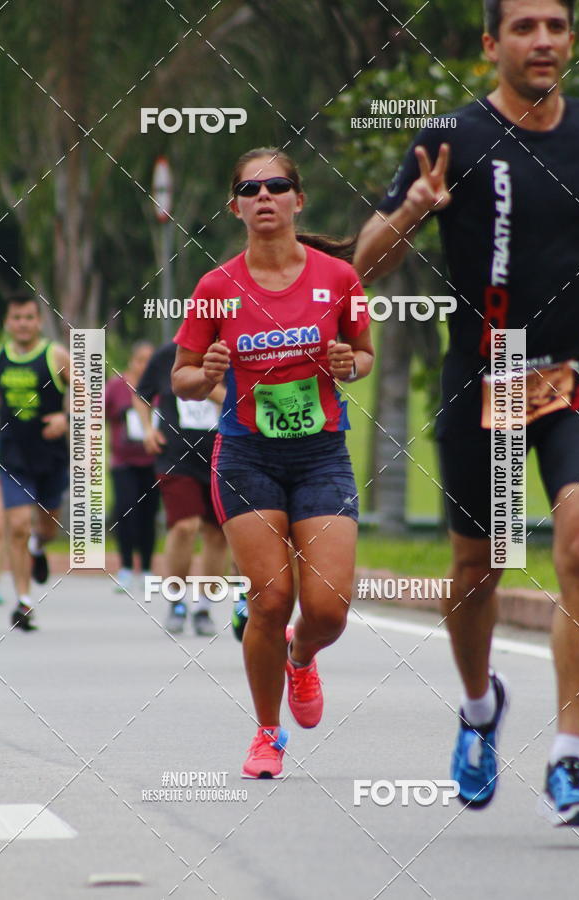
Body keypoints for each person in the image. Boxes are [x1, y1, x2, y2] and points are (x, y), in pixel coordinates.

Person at [354, 0, 579, 825]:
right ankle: (478, 708)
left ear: (571, 40)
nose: (542, 41)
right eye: (524, 28)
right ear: (493, 45)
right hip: (483, 381)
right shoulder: (449, 138)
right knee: (477, 570)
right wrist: (418, 204)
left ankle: (568, 757)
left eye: (555, 27)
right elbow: (363, 264)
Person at [172, 147, 374, 778]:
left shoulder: (338, 279)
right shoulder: (215, 288)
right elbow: (181, 377)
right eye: (251, 189)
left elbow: (363, 354)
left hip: (320, 455)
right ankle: (267, 733)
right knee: (269, 599)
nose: (265, 197)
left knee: (328, 610)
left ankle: (303, 658)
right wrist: (201, 374)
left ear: (297, 199)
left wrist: (350, 364)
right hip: (247, 453)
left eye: (277, 185)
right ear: (235, 206)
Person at [134, 341, 228, 636]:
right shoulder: (166, 354)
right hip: (176, 456)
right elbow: (142, 394)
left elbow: (241, 401)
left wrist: (206, 386)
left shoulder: (234, 351)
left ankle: (203, 607)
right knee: (185, 526)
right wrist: (148, 430)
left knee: (217, 534)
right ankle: (176, 600)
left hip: (224, 455)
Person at [0, 292, 70, 631]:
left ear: (38, 322)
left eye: (29, 317)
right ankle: (24, 602)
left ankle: (38, 547)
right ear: (7, 323)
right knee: (15, 526)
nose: (23, 324)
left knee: (47, 527)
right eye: (16, 318)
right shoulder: (1, 357)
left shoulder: (55, 355)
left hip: (51, 456)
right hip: (13, 455)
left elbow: (89, 390)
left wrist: (66, 420)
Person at [105, 341, 159, 593]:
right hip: (123, 462)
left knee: (149, 515)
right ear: (132, 361)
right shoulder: (117, 387)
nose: (145, 366)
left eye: (151, 361)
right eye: (141, 360)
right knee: (126, 512)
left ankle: (147, 568)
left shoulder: (160, 386)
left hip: (155, 462)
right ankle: (126, 567)